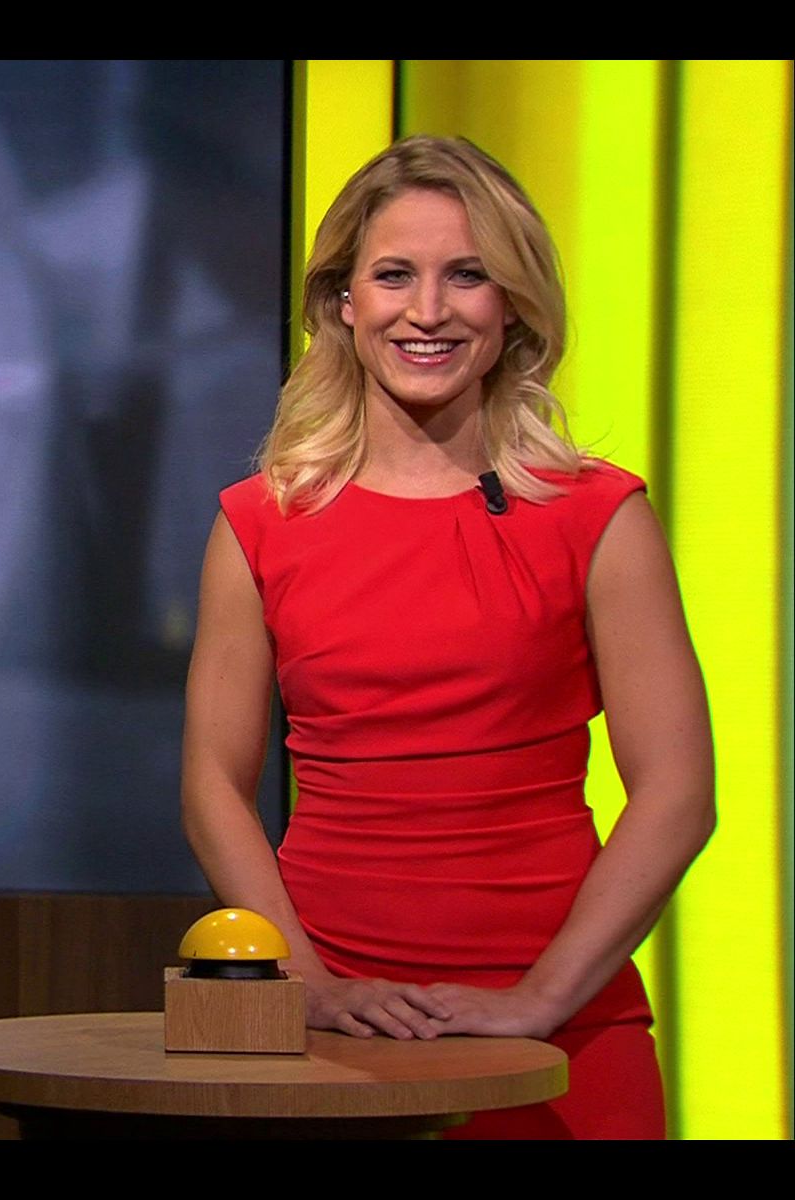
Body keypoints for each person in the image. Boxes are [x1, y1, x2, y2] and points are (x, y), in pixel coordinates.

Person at [181, 135, 714, 1139]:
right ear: (344, 301)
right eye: (395, 275)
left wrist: (540, 1000)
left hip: (564, 1030)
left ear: (512, 304)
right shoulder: (261, 522)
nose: (428, 311)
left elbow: (678, 793)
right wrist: (306, 983)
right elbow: (213, 782)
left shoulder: (598, 515)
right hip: (330, 1031)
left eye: (467, 275)